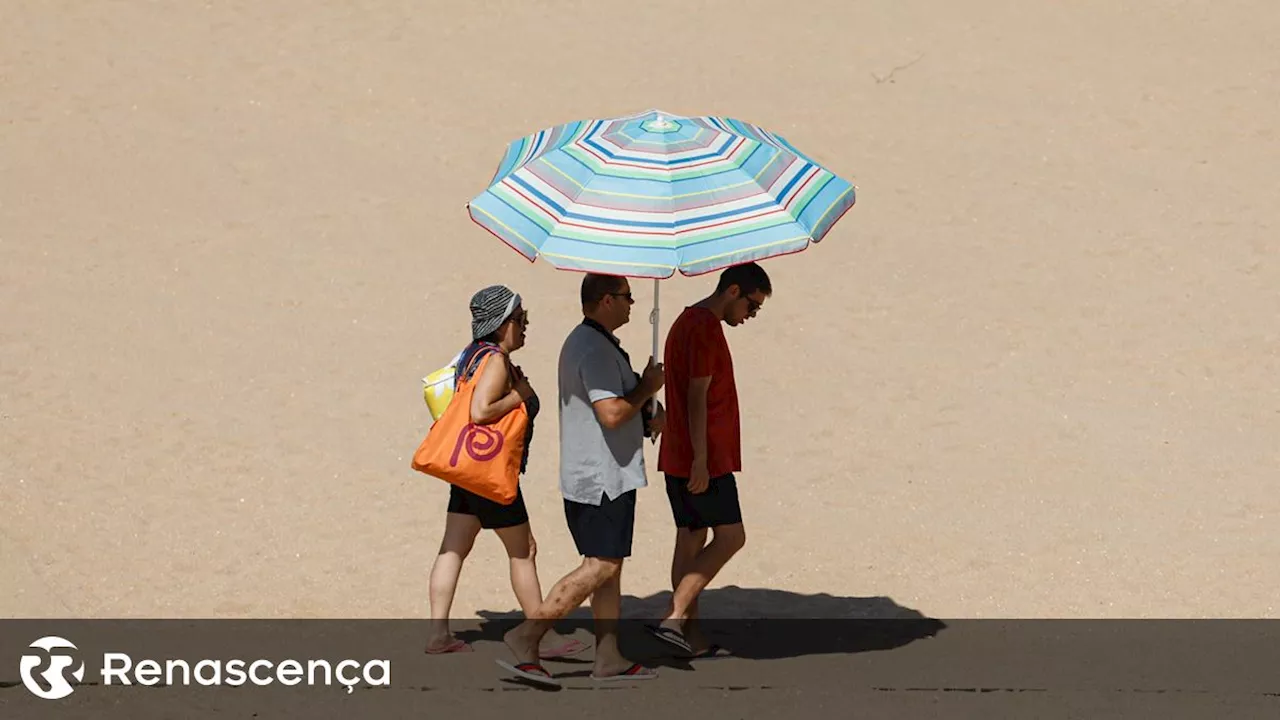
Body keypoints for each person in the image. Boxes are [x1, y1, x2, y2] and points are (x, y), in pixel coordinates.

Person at [495, 273, 666, 687]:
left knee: (610, 568)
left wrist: (646, 411)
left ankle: (607, 656)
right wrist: (647, 387)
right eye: (627, 297)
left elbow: (609, 410)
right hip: (600, 477)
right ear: (606, 300)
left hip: (605, 473)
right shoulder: (592, 347)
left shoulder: (595, 342)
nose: (632, 303)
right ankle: (526, 635)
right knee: (600, 565)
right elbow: (609, 413)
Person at [425, 284, 587, 661]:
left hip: (466, 470)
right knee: (523, 551)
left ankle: (438, 634)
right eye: (519, 319)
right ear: (500, 324)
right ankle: (539, 636)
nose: (525, 325)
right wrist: (522, 393)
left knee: (453, 548)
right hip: (491, 474)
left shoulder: (471, 356)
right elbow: (481, 411)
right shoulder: (494, 360)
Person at [648, 262, 772, 657]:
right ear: (733, 291)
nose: (751, 316)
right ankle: (673, 616)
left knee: (690, 537)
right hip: (703, 458)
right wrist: (701, 458)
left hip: (678, 454)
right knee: (732, 536)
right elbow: (697, 395)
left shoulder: (687, 321)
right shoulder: (705, 328)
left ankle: (690, 637)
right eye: (752, 306)